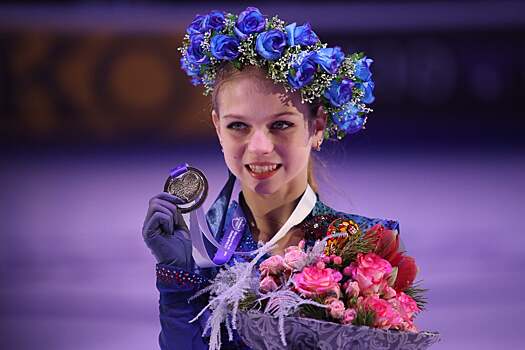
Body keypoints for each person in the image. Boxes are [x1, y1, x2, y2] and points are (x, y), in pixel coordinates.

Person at [141, 7, 399, 349]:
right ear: (218, 127)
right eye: (238, 126)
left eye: (280, 125)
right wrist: (175, 282)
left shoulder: (369, 247)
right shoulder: (201, 250)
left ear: (317, 126)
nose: (259, 147)